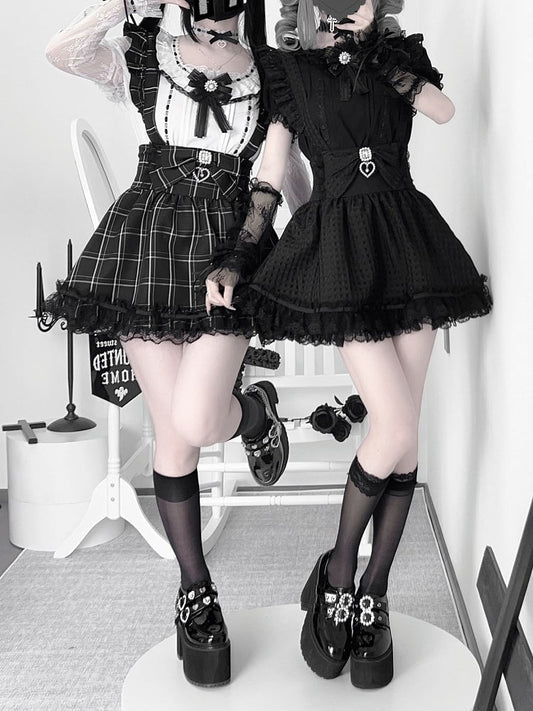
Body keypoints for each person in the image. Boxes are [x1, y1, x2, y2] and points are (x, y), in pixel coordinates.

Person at [205, 0, 492, 689]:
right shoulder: (291, 72)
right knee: (395, 426)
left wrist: (374, 50)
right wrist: (240, 256)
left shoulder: (398, 59)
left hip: (411, 246)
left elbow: (443, 110)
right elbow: (270, 176)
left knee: (404, 438)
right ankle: (338, 571)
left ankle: (373, 592)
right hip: (339, 251)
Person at [43, 0, 292, 688]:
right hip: (145, 247)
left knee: (198, 419)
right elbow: (62, 52)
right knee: (175, 436)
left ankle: (254, 412)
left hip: (228, 252)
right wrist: (123, 5)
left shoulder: (271, 74)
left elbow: (271, 182)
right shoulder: (142, 52)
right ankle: (195, 591)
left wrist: (245, 256)